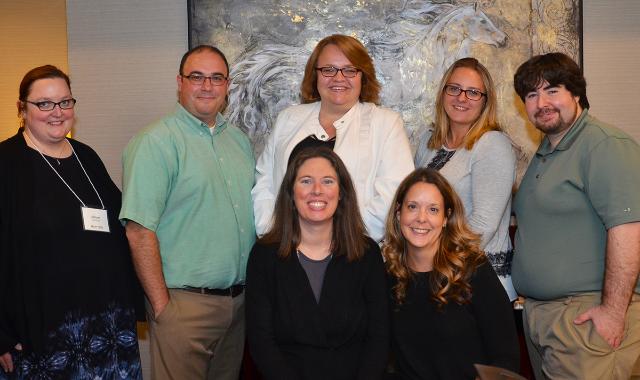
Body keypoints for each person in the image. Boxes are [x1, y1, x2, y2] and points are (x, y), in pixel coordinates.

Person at [120, 45, 255, 380]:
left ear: (228, 85)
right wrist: (163, 307)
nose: (206, 86)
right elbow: (138, 230)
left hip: (238, 304)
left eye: (216, 78)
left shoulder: (238, 141)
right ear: (179, 82)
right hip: (184, 306)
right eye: (197, 77)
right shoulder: (155, 142)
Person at [0, 65, 143, 379]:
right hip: (45, 333)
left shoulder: (86, 156)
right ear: (22, 108)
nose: (57, 112)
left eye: (65, 102)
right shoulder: (6, 164)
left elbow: (119, 223)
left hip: (107, 324)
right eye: (44, 103)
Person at [512, 52, 640, 379]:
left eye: (552, 90)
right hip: (545, 318)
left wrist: (612, 313)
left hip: (585, 320)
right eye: (531, 94)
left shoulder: (603, 145)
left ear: (576, 93)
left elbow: (628, 230)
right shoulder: (546, 153)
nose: (542, 102)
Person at [252, 34, 414, 242]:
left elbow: (392, 195)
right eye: (328, 70)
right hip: (286, 251)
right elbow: (264, 183)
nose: (339, 78)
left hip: (353, 252)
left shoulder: (386, 124)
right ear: (315, 75)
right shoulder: (288, 119)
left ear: (362, 76)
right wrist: (273, 235)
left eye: (349, 70)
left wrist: (339, 243)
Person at [246, 147, 389, 380]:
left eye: (327, 181)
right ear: (291, 193)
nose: (317, 191)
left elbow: (379, 338)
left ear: (341, 192)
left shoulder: (367, 254)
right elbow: (262, 343)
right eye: (306, 181)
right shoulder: (264, 257)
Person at [383, 168, 519, 380]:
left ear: (446, 217)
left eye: (433, 210)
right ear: (399, 213)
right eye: (412, 207)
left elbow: (506, 357)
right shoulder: (388, 277)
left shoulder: (474, 270)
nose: (421, 218)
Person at [415, 57, 517, 300]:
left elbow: (483, 224)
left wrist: (439, 264)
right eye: (454, 89)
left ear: (485, 101)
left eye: (473, 92)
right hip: (437, 279)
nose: (461, 98)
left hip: (479, 283)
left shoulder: (492, 144)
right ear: (442, 93)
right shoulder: (428, 142)